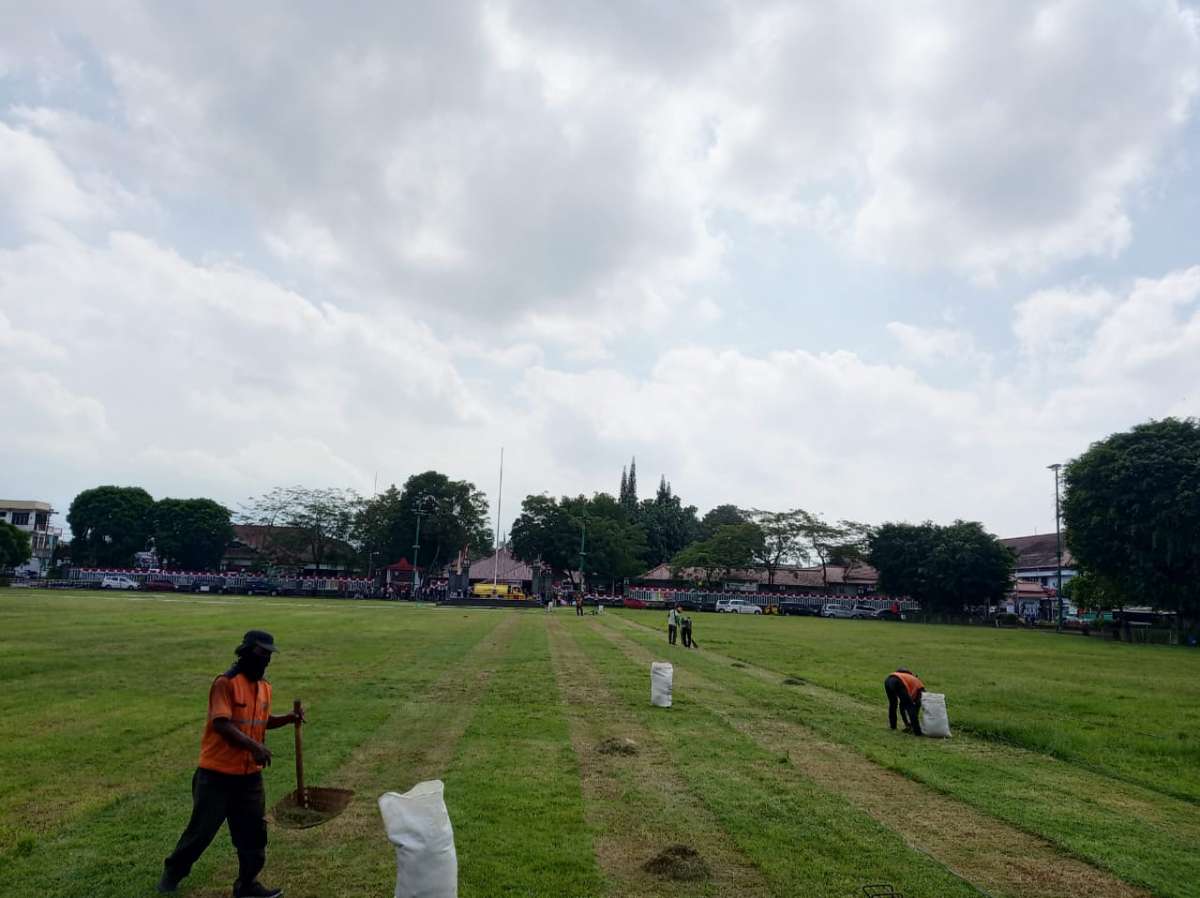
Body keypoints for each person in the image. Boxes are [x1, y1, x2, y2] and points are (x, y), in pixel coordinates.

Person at [158, 630, 304, 897]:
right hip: (216, 776)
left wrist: (289, 718)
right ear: (246, 652)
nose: (266, 660)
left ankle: (247, 885)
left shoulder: (264, 687)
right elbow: (222, 723)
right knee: (200, 833)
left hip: (249, 778)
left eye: (269, 655)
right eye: (262, 653)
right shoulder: (225, 683)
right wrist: (254, 746)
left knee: (253, 835)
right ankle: (172, 873)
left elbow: (262, 720)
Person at [883, 668, 924, 736]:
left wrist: (907, 723)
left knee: (893, 704)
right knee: (910, 706)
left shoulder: (907, 677)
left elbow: (902, 706)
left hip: (888, 680)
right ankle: (917, 732)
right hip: (899, 682)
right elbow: (916, 704)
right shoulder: (920, 685)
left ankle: (893, 726)